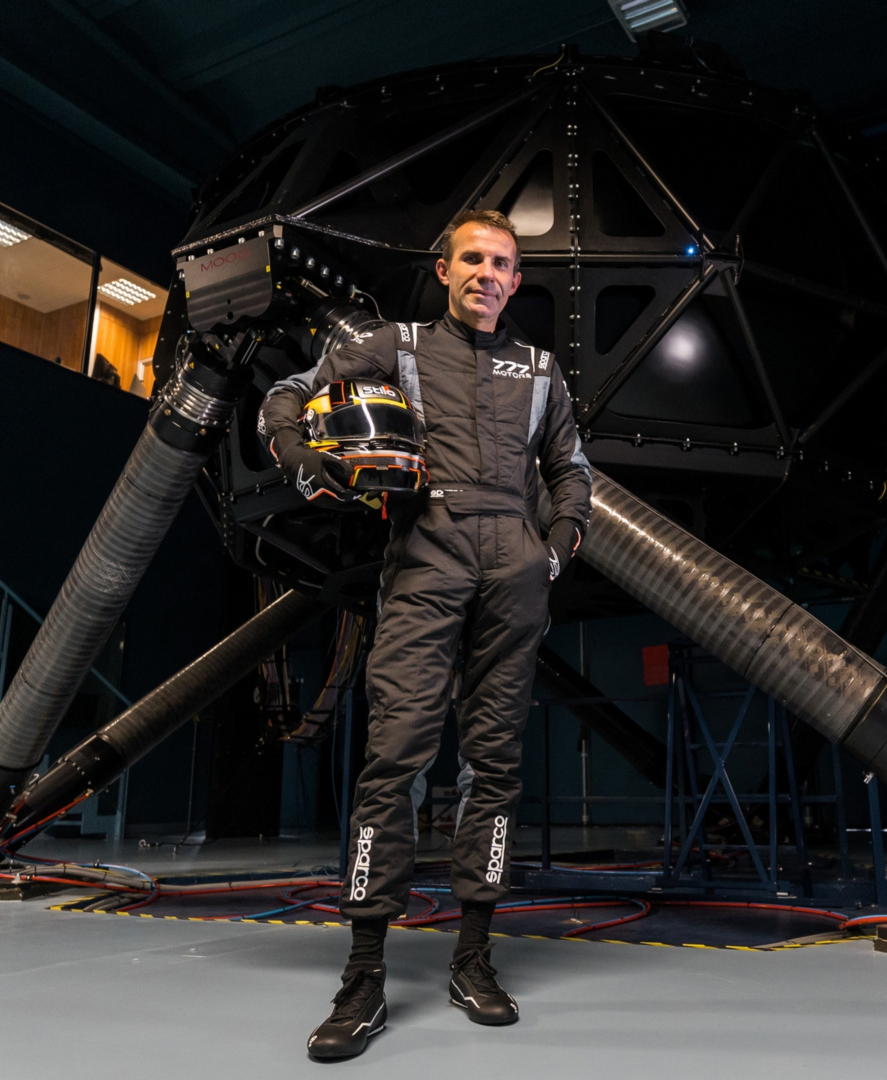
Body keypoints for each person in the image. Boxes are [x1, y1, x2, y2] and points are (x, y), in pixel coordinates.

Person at [256, 209, 592, 1059]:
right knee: (395, 758)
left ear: (516, 281)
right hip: (424, 558)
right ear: (445, 270)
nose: (487, 274)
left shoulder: (541, 370)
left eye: (503, 264)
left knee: (496, 764)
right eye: (473, 259)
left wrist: (551, 552)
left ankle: (473, 961)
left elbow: (572, 472)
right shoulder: (396, 345)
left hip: (514, 566)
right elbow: (285, 396)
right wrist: (301, 457)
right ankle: (363, 977)